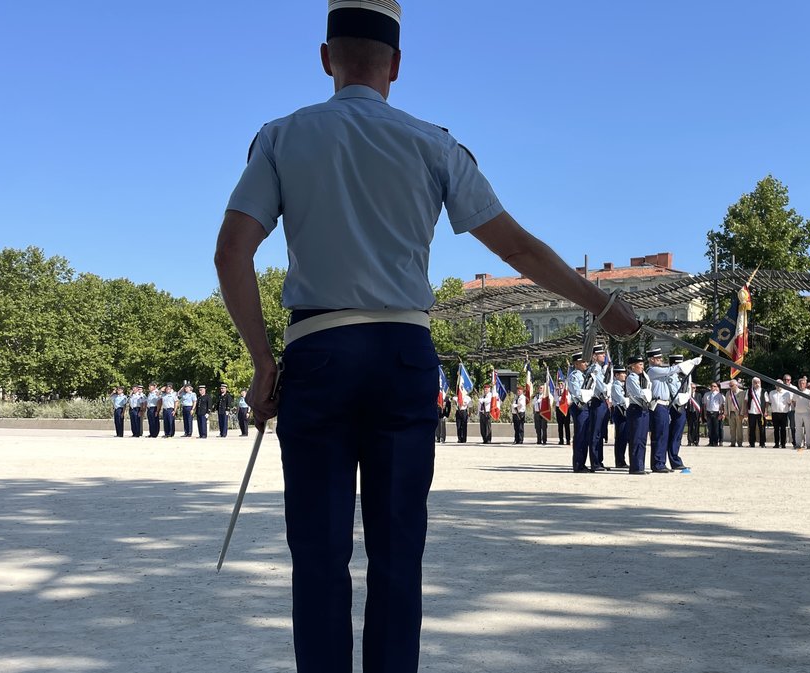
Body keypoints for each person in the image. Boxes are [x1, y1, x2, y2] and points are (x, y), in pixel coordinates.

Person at [214, 3, 641, 670]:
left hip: (318, 352)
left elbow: (231, 252)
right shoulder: (436, 144)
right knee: (397, 557)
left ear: (327, 58)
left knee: (320, 558)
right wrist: (603, 303)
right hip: (402, 357)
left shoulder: (280, 136)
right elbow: (519, 248)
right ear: (397, 66)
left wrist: (263, 361)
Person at [665, 353, 699, 470]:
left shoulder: (685, 375)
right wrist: (684, 397)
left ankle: (675, 460)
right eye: (679, 364)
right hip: (673, 408)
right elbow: (676, 395)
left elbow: (687, 390)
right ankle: (668, 460)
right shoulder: (671, 376)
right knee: (670, 435)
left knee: (677, 436)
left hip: (682, 408)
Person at [624, 356, 652, 474]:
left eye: (642, 364)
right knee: (636, 438)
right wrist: (647, 393)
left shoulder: (643, 378)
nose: (642, 367)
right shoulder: (631, 378)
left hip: (643, 409)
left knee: (642, 439)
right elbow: (639, 393)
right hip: (636, 409)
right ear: (633, 366)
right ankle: (635, 467)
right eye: (640, 364)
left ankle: (640, 465)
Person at [587, 345, 610, 470]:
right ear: (595, 356)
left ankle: (599, 462)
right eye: (601, 354)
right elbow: (601, 387)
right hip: (597, 402)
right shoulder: (595, 368)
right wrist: (609, 387)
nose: (604, 356)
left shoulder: (599, 368)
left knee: (600, 434)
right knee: (596, 434)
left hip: (602, 402)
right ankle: (595, 462)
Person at [610, 367, 629, 468]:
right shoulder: (615, 386)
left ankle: (622, 460)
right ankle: (619, 461)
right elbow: (622, 400)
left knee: (625, 437)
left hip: (625, 411)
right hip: (620, 411)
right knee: (620, 437)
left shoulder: (623, 386)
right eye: (622, 373)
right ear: (616, 375)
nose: (625, 375)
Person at [767, 375, 793, 448]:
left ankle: (783, 444)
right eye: (777, 384)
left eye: (779, 385)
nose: (778, 386)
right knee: (776, 429)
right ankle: (776, 443)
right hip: (775, 413)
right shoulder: (772, 393)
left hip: (784, 413)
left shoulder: (786, 393)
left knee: (783, 429)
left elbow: (789, 402)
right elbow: (770, 402)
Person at [792, 377, 810, 449]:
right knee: (798, 429)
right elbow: (793, 401)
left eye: (803, 383)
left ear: (805, 384)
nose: (801, 385)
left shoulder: (809, 392)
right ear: (798, 384)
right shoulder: (796, 392)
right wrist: (797, 408)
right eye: (800, 383)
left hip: (806, 413)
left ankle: (808, 444)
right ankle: (798, 444)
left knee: (808, 429)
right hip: (798, 413)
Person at [746, 377, 767, 448]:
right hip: (751, 412)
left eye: (758, 382)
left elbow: (767, 402)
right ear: (752, 383)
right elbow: (746, 401)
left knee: (762, 428)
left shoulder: (764, 391)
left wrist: (766, 411)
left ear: (760, 383)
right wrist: (746, 411)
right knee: (752, 428)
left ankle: (762, 443)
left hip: (761, 413)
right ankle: (752, 443)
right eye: (755, 382)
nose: (757, 384)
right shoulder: (749, 391)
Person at [723, 380, 744, 447]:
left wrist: (742, 413)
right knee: (732, 429)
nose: (730, 387)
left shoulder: (742, 392)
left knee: (739, 429)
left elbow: (744, 404)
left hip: (739, 413)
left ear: (736, 385)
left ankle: (740, 443)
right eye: (730, 386)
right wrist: (725, 413)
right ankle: (732, 442)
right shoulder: (728, 393)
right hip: (731, 413)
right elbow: (726, 403)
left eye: (732, 386)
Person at [703, 382, 724, 446]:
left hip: (716, 412)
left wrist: (721, 414)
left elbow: (721, 406)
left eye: (714, 386)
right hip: (708, 412)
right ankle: (710, 442)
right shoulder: (706, 394)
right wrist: (704, 414)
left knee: (716, 428)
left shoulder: (719, 395)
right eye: (712, 386)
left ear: (717, 387)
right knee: (710, 428)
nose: (713, 387)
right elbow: (704, 405)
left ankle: (715, 442)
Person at [554, 380, 571, 445]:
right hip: (559, 408)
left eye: (561, 384)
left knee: (567, 425)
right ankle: (561, 440)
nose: (560, 385)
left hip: (565, 409)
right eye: (559, 384)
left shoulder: (567, 391)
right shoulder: (557, 392)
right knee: (560, 425)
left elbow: (569, 400)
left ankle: (568, 440)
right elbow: (555, 400)